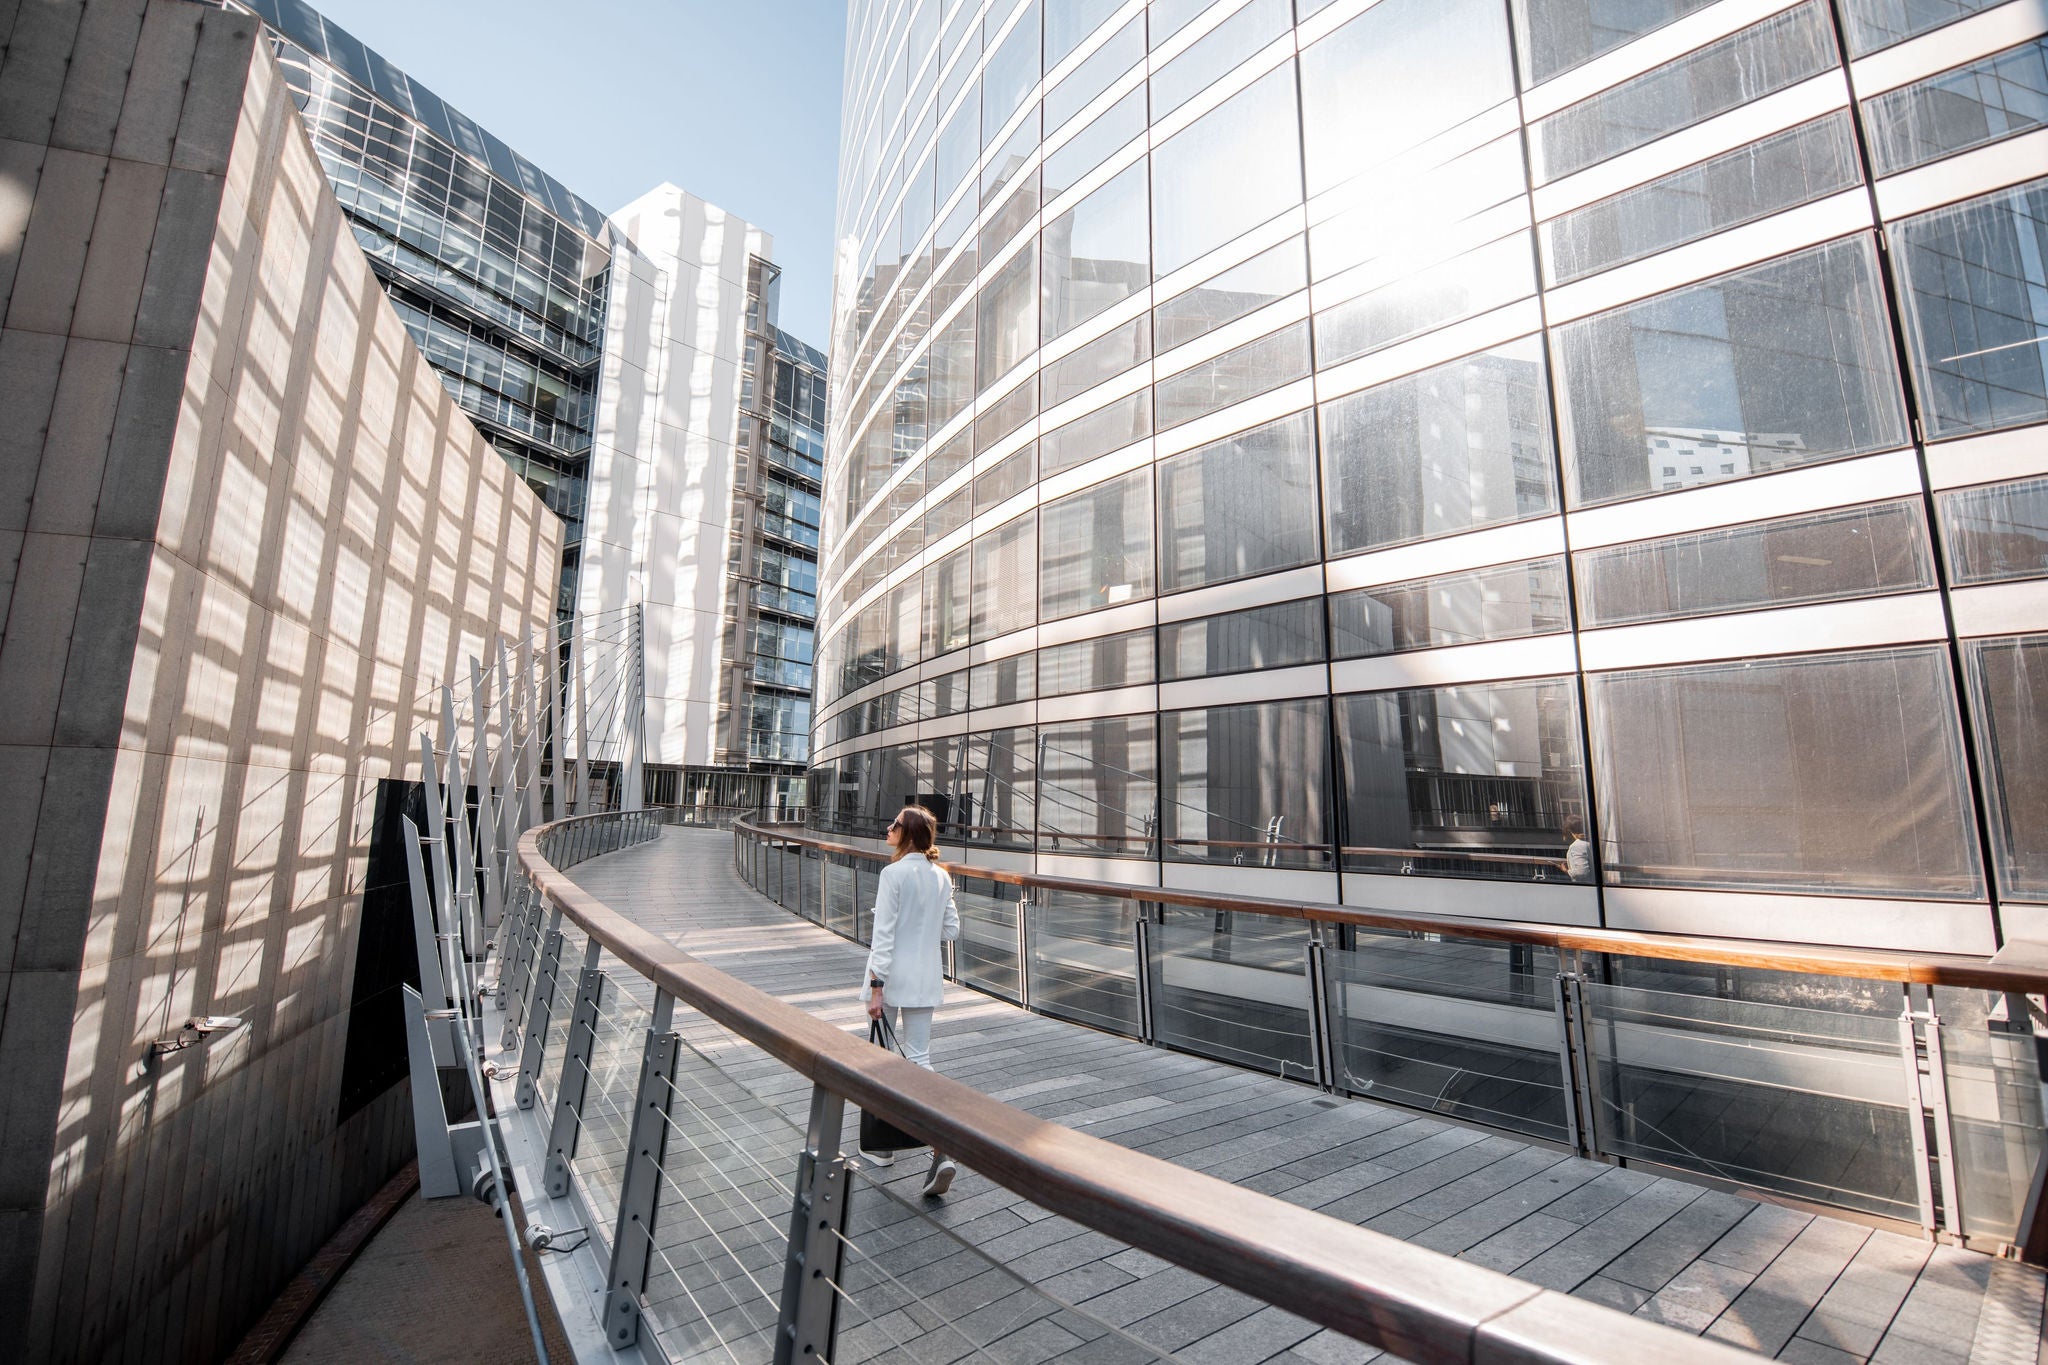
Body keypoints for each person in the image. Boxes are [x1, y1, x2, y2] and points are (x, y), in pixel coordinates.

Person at [863, 805, 960, 1196]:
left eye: (895, 825)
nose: (888, 828)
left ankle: (884, 1148)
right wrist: (922, 918)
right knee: (919, 1060)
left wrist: (876, 985)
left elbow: (883, 934)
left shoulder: (893, 873)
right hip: (925, 977)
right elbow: (951, 929)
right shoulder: (941, 876)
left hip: (890, 978)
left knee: (882, 1060)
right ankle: (942, 1147)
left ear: (910, 833)